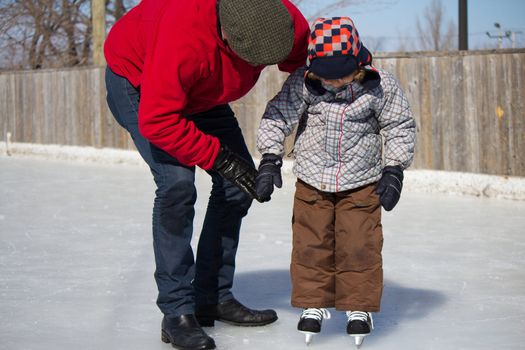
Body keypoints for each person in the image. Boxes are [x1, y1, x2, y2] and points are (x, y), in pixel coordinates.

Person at [103, 0, 310, 349]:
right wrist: (220, 159)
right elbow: (159, 120)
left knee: (236, 189)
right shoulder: (184, 39)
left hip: (203, 92)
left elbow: (310, 63)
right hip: (140, 84)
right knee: (177, 185)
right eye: (252, 62)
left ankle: (213, 296)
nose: (257, 69)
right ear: (227, 38)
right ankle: (176, 312)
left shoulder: (281, 20)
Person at [255, 16, 416, 347]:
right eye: (326, 77)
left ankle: (358, 307)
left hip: (362, 183)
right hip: (312, 181)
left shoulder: (379, 85)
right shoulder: (303, 82)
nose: (334, 83)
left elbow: (399, 125)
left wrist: (394, 169)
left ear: (358, 62)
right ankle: (314, 304)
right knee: (310, 245)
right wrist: (270, 159)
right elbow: (277, 117)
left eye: (341, 74)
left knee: (359, 245)